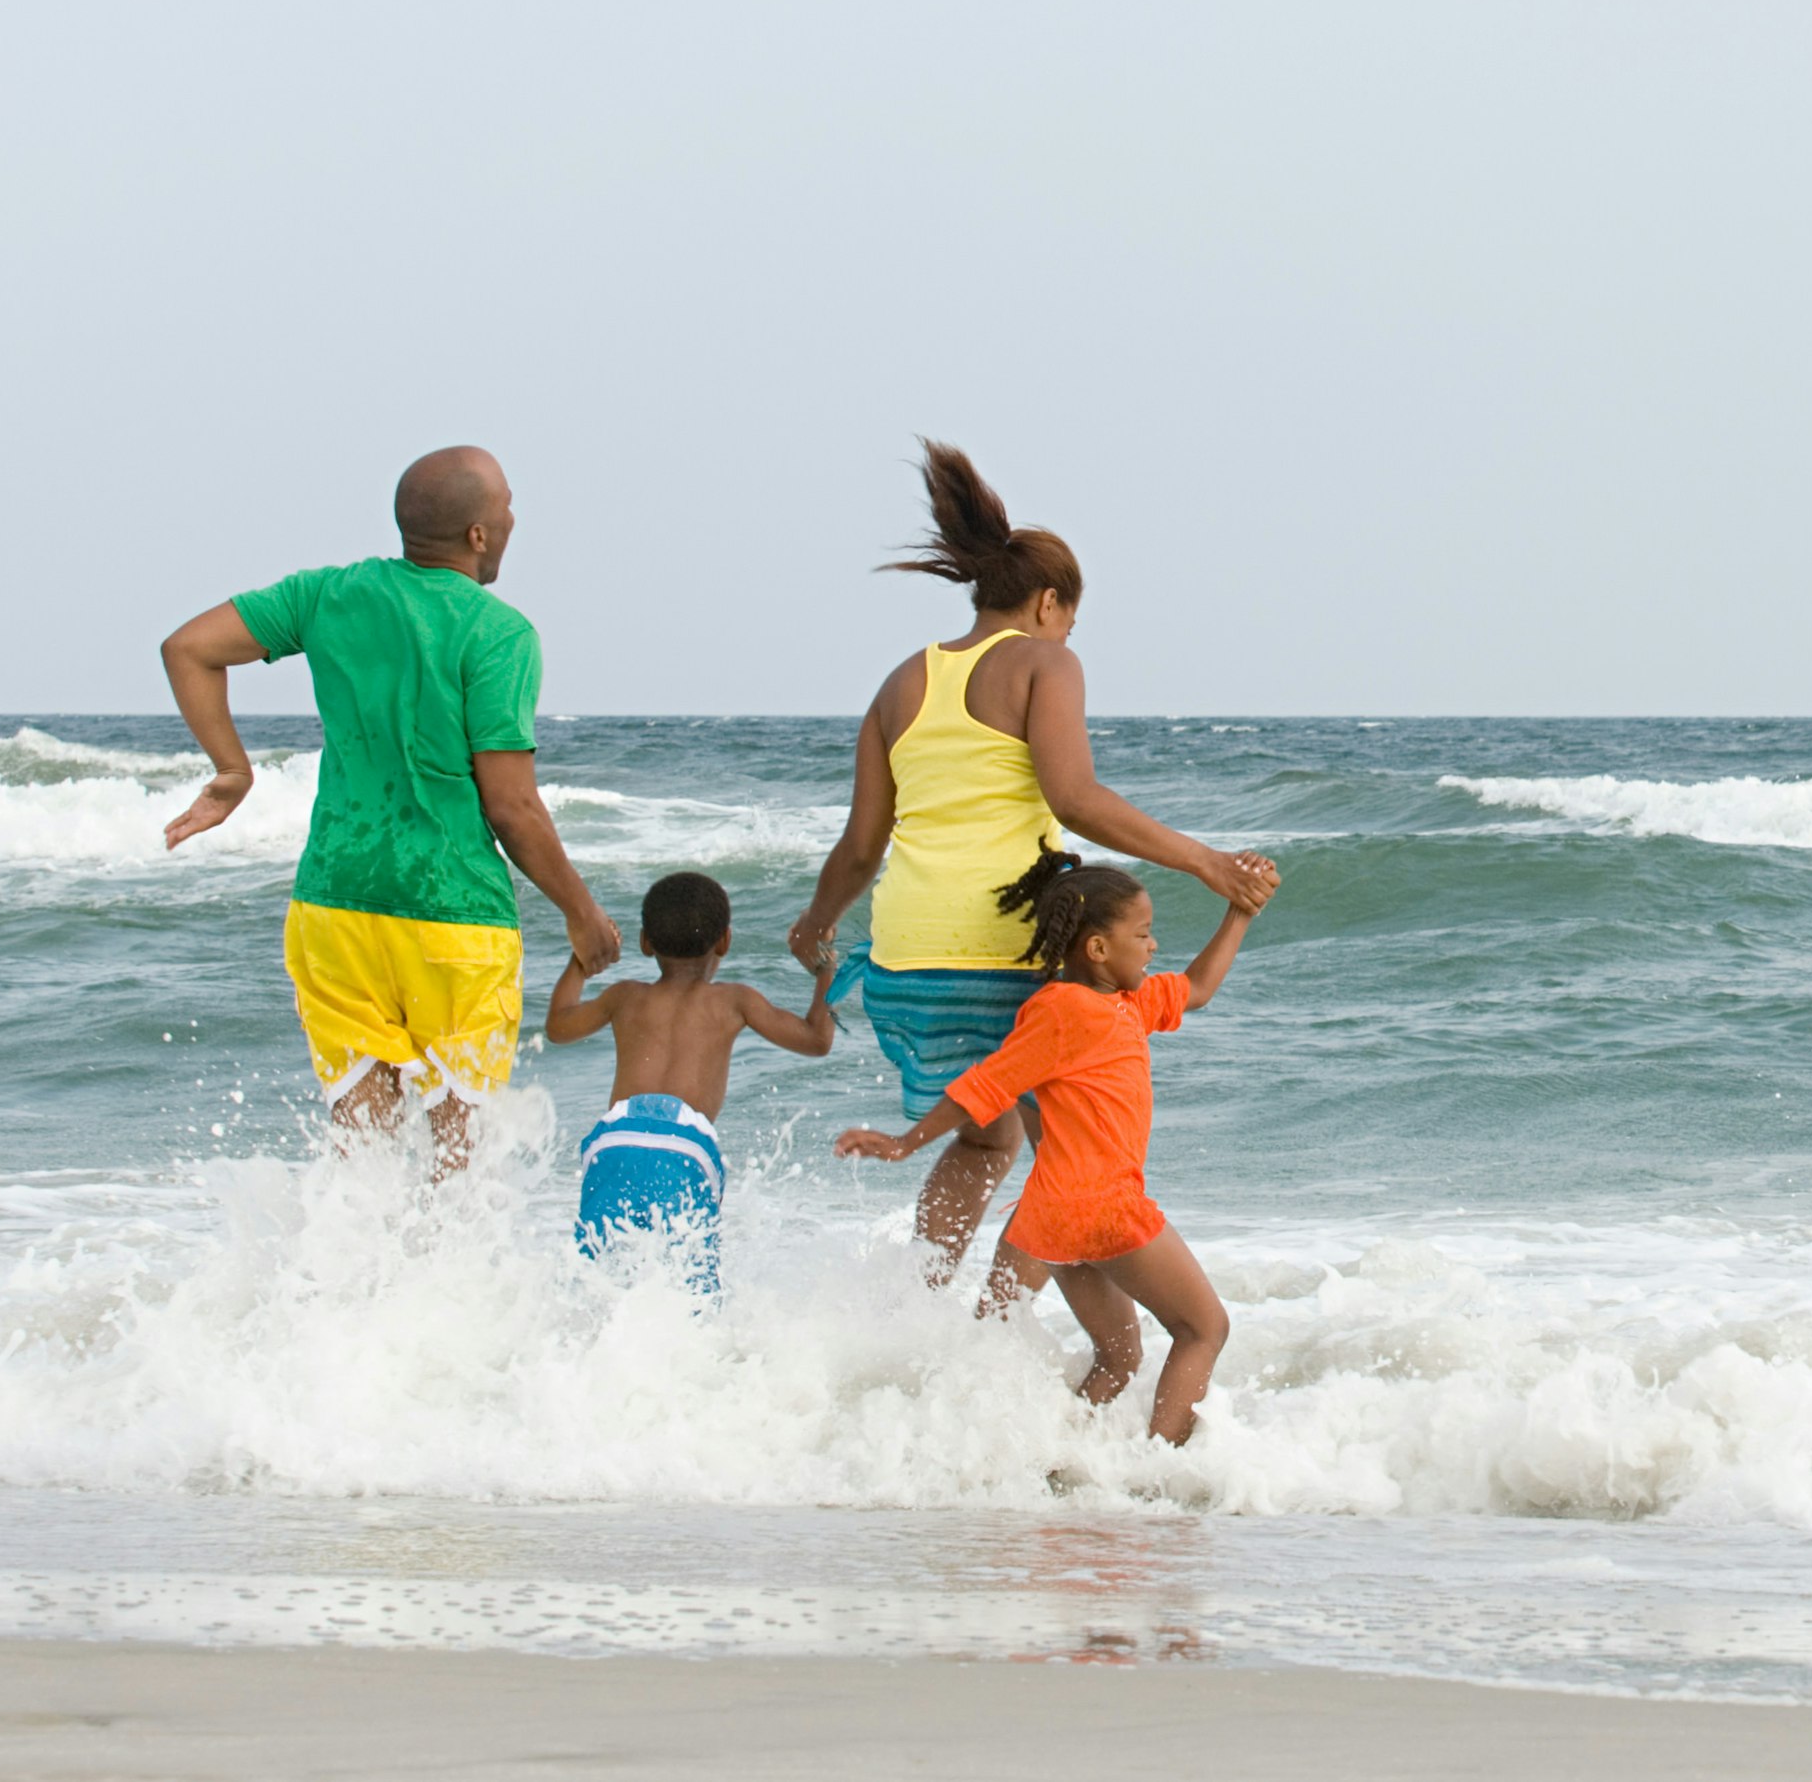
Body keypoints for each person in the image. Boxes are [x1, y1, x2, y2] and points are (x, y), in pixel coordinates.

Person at [785, 440, 1276, 1272]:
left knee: (986, 1142)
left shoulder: (900, 683)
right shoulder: (1047, 662)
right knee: (1069, 1162)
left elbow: (862, 845)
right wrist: (1205, 862)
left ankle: (925, 1310)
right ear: (1050, 602)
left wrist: (815, 926)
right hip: (1007, 954)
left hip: (905, 967)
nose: (1070, 633)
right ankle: (1046, 1342)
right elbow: (1076, 797)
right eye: (1072, 618)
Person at [156, 445, 623, 1173]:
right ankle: (443, 1284)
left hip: (335, 906)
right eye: (505, 509)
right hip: (454, 916)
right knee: (458, 1153)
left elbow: (188, 647)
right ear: (478, 534)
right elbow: (511, 807)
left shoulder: (325, 595)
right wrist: (581, 912)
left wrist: (230, 770)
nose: (510, 521)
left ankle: (354, 1279)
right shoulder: (499, 633)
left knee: (360, 1142)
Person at [836, 848, 1262, 1443]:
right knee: (1204, 1329)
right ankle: (1157, 1476)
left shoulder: (1126, 1005)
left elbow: (1196, 989)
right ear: (1096, 949)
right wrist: (907, 1143)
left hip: (1056, 1220)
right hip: (1104, 1208)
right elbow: (986, 1085)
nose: (1153, 945)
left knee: (1119, 1358)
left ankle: (1059, 1470)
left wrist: (1239, 913)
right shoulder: (1061, 1012)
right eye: (1142, 934)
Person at [546, 868, 837, 1289]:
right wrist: (824, 962)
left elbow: (557, 1025)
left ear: (646, 943)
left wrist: (581, 961)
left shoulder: (624, 995)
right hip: (684, 1148)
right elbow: (816, 1039)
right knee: (690, 1292)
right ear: (725, 940)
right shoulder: (735, 1001)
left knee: (597, 1280)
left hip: (613, 1143)